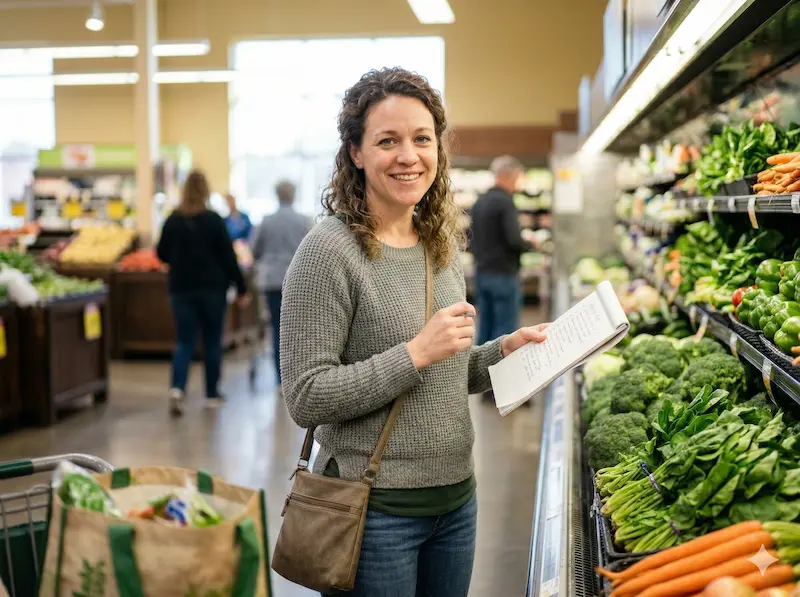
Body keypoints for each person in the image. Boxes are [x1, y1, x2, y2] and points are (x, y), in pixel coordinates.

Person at [280, 67, 549, 597]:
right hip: (374, 511)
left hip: (456, 502)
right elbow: (306, 396)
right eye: (387, 141)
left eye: (422, 139)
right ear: (355, 152)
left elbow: (448, 370)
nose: (409, 156)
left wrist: (503, 353)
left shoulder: (439, 243)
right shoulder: (328, 253)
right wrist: (414, 353)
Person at [156, 170, 250, 415]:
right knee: (211, 341)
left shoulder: (173, 220)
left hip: (181, 289)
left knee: (184, 341)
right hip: (212, 290)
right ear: (206, 191)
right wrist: (241, 287)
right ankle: (211, 393)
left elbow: (161, 253)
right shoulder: (214, 220)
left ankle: (177, 388)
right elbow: (229, 258)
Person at [250, 180, 313, 388]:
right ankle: (301, 377)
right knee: (301, 329)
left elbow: (254, 250)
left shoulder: (266, 222)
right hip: (299, 280)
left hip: (271, 280)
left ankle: (280, 380)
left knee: (278, 329)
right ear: (293, 195)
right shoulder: (305, 221)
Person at [469, 155, 532, 347]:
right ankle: (501, 374)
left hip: (482, 272)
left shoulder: (480, 202)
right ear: (510, 176)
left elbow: (471, 239)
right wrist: (529, 244)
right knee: (504, 333)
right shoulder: (505, 202)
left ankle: (482, 374)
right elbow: (513, 240)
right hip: (503, 275)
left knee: (485, 328)